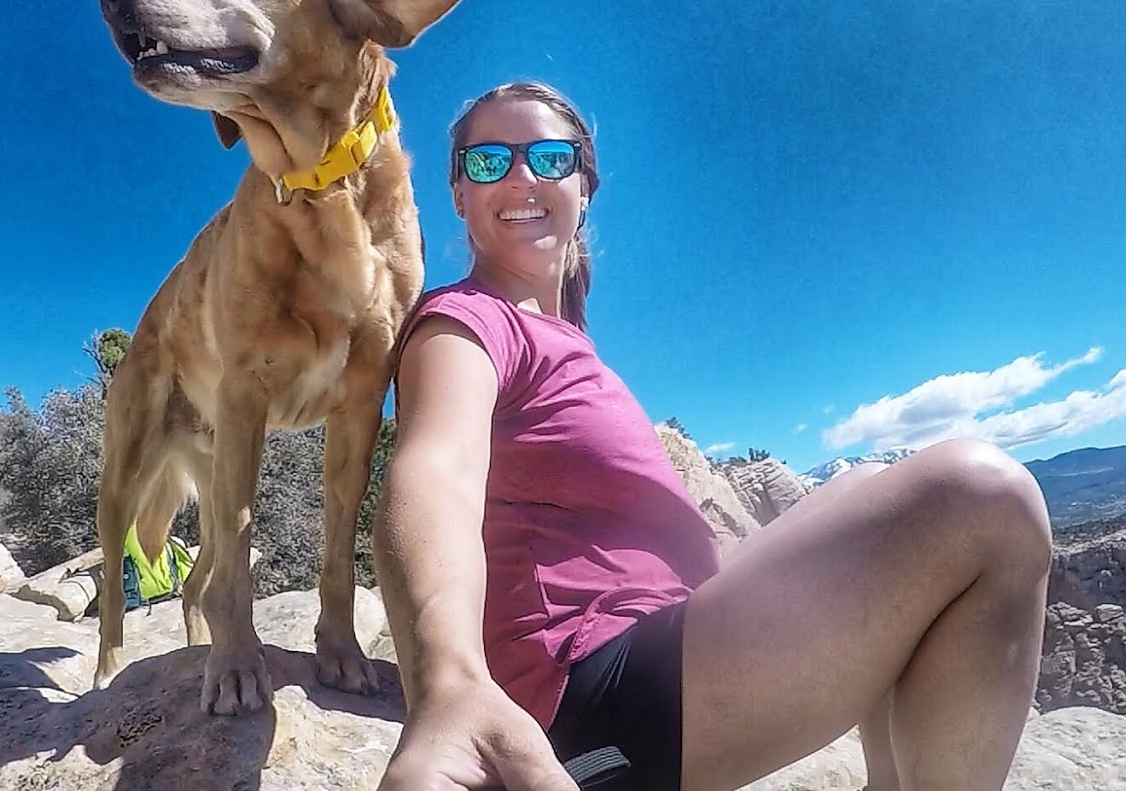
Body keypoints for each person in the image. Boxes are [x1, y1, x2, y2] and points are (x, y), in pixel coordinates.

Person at [372, 81, 1053, 791]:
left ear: (584, 188)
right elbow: (434, 470)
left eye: (550, 156)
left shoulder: (566, 341)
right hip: (593, 704)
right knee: (986, 498)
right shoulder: (465, 322)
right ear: (457, 193)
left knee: (863, 487)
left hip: (661, 656)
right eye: (488, 161)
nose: (521, 175)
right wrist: (448, 684)